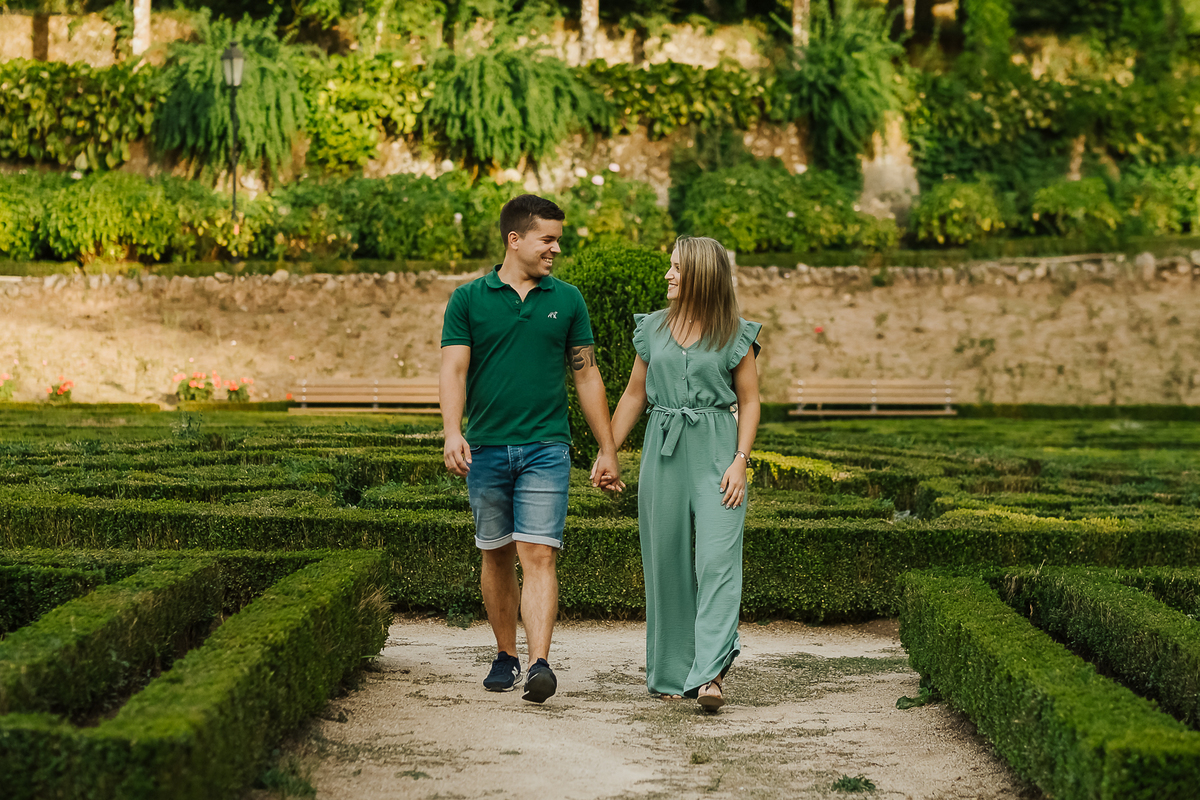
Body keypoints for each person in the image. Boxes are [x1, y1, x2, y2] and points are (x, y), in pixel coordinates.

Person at [440, 194, 622, 704]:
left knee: (538, 553)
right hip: (487, 447)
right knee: (495, 554)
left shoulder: (569, 299)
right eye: (548, 238)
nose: (556, 248)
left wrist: (607, 448)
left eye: (558, 239)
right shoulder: (468, 300)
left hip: (547, 447)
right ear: (514, 239)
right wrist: (453, 431)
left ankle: (541, 663)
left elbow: (587, 376)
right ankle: (506, 655)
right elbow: (453, 368)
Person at [605, 235, 761, 711]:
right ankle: (675, 673)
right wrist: (608, 451)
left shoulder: (736, 332)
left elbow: (750, 401)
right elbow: (635, 394)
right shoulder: (652, 328)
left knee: (716, 560)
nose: (668, 275)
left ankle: (710, 673)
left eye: (676, 268)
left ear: (700, 274)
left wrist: (740, 460)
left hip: (717, 450)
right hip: (663, 446)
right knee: (666, 560)